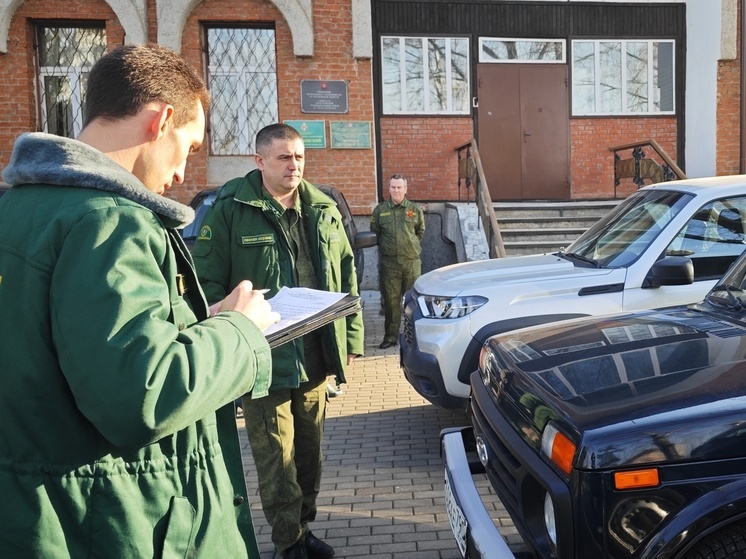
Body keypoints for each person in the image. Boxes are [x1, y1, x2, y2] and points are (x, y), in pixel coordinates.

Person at [0, 43, 279, 558]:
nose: (181, 175)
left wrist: (195, 324)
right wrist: (238, 331)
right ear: (161, 120)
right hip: (116, 521)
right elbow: (142, 395)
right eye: (189, 148)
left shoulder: (17, 207)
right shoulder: (111, 220)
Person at [193, 123, 363, 559]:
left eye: (300, 157)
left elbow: (347, 275)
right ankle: (288, 541)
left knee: (310, 453)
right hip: (262, 355)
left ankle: (303, 528)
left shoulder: (322, 207)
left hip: (315, 350)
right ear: (260, 161)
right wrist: (225, 336)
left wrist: (351, 339)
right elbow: (207, 283)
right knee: (274, 454)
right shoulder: (232, 207)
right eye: (285, 157)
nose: (295, 165)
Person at [370, 174, 425, 349]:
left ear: (405, 189)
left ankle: (414, 338)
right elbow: (375, 233)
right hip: (390, 265)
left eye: (399, 187)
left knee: (413, 302)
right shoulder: (380, 210)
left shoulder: (414, 210)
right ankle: (391, 337)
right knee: (391, 303)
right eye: (393, 187)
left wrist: (409, 247)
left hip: (411, 263)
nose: (396, 190)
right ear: (389, 189)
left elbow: (420, 232)